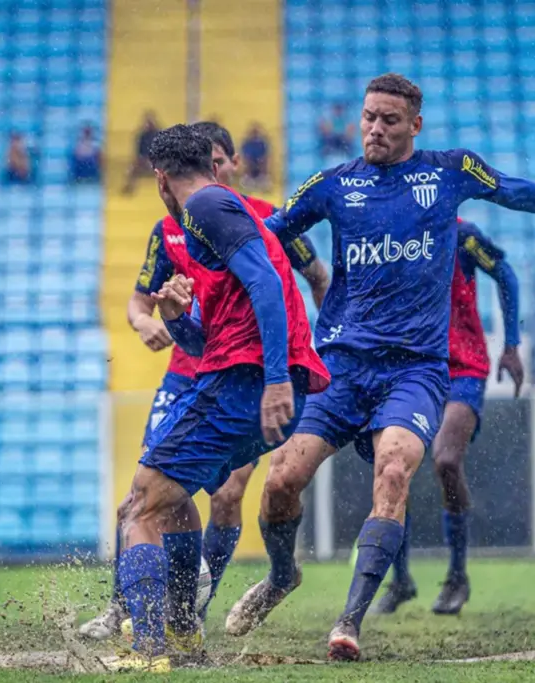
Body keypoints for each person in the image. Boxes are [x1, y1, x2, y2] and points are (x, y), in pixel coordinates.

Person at [225, 73, 535, 661]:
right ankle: (280, 576)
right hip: (342, 368)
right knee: (280, 481)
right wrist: (210, 264)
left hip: (417, 371)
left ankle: (348, 623)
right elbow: (270, 234)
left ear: (415, 125)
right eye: (369, 117)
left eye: (390, 120)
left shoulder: (449, 172)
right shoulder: (333, 185)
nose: (376, 128)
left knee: (396, 471)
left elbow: (509, 188)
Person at [79, 121, 330, 642]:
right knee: (172, 503)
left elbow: (266, 281)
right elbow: (204, 342)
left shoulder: (204, 207)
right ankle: (184, 632)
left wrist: (278, 379)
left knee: (136, 508)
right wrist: (173, 316)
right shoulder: (217, 224)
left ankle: (149, 648)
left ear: (161, 178)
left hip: (243, 388)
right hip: (247, 388)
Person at [369, 218, 525, 616]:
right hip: (410, 369)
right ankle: (400, 579)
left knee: (446, 460)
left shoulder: (462, 235)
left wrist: (511, 345)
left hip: (463, 368)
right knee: (393, 469)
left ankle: (458, 577)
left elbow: (505, 274)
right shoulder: (389, 235)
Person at [122, 112, 160, 194]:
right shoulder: (142, 136)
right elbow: (138, 153)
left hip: (157, 162)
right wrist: (142, 160)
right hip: (144, 161)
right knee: (131, 168)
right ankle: (129, 188)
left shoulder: (160, 135)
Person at [239, 124, 270, 192]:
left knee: (264, 160)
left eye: (256, 132)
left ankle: (262, 177)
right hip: (249, 169)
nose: (254, 134)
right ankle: (249, 178)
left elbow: (265, 157)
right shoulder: (247, 144)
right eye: (253, 132)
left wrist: (261, 164)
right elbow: (245, 157)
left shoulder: (262, 144)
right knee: (247, 161)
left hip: (260, 168)